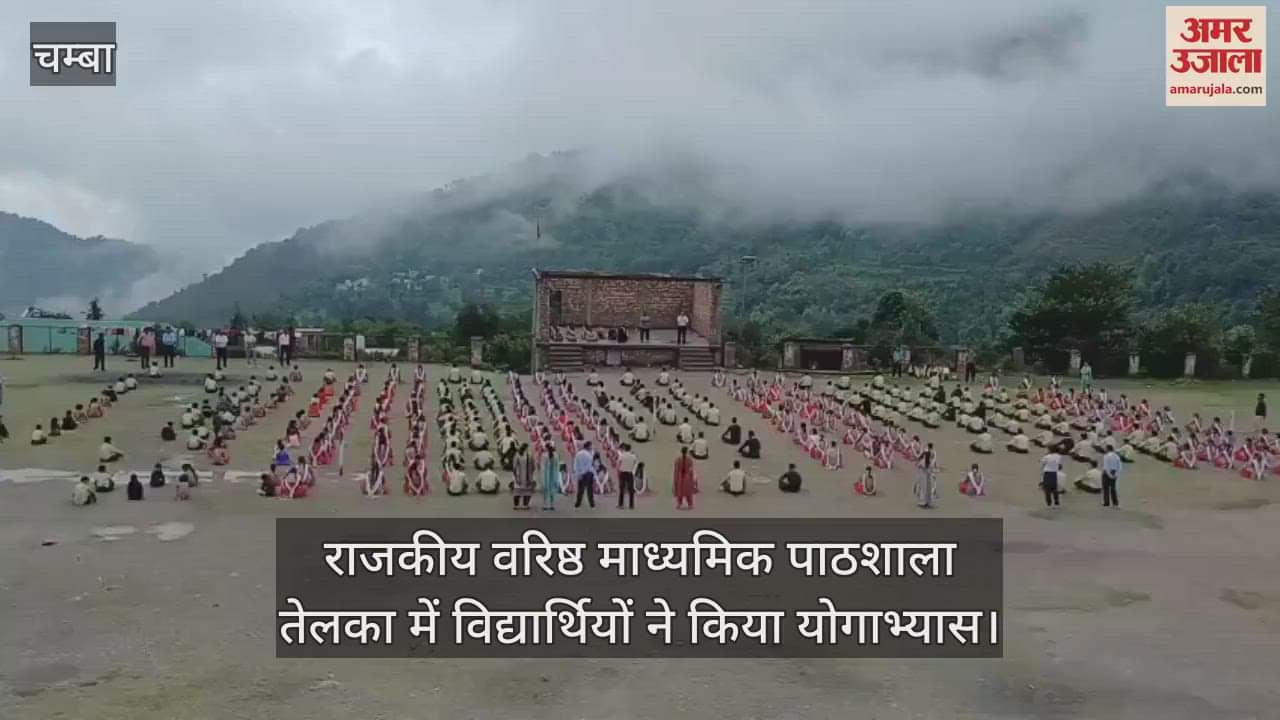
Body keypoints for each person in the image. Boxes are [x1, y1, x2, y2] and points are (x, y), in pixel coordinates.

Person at [511, 444, 535, 510]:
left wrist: (515, 476)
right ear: (527, 448)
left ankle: (516, 505)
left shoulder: (517, 455)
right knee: (527, 491)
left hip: (518, 476)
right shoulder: (530, 455)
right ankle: (525, 505)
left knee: (517, 491)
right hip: (528, 477)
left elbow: (514, 467)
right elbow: (533, 467)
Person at [915, 443, 938, 508]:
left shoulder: (926, 452)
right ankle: (928, 502)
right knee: (928, 487)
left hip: (924, 471)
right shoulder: (933, 452)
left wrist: (919, 465)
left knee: (923, 487)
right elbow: (932, 462)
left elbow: (920, 459)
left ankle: (923, 502)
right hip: (928, 471)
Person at [617, 443, 638, 509]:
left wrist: (619, 471)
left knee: (622, 489)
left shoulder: (622, 456)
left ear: (625, 448)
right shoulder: (633, 456)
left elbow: (618, 464)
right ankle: (631, 505)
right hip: (629, 473)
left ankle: (621, 505)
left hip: (623, 473)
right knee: (631, 490)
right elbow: (635, 463)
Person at [541, 446, 559, 511]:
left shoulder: (544, 455)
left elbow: (542, 467)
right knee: (552, 490)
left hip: (546, 475)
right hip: (553, 475)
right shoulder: (556, 455)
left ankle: (545, 505)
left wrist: (542, 477)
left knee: (545, 490)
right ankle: (552, 505)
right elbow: (557, 466)